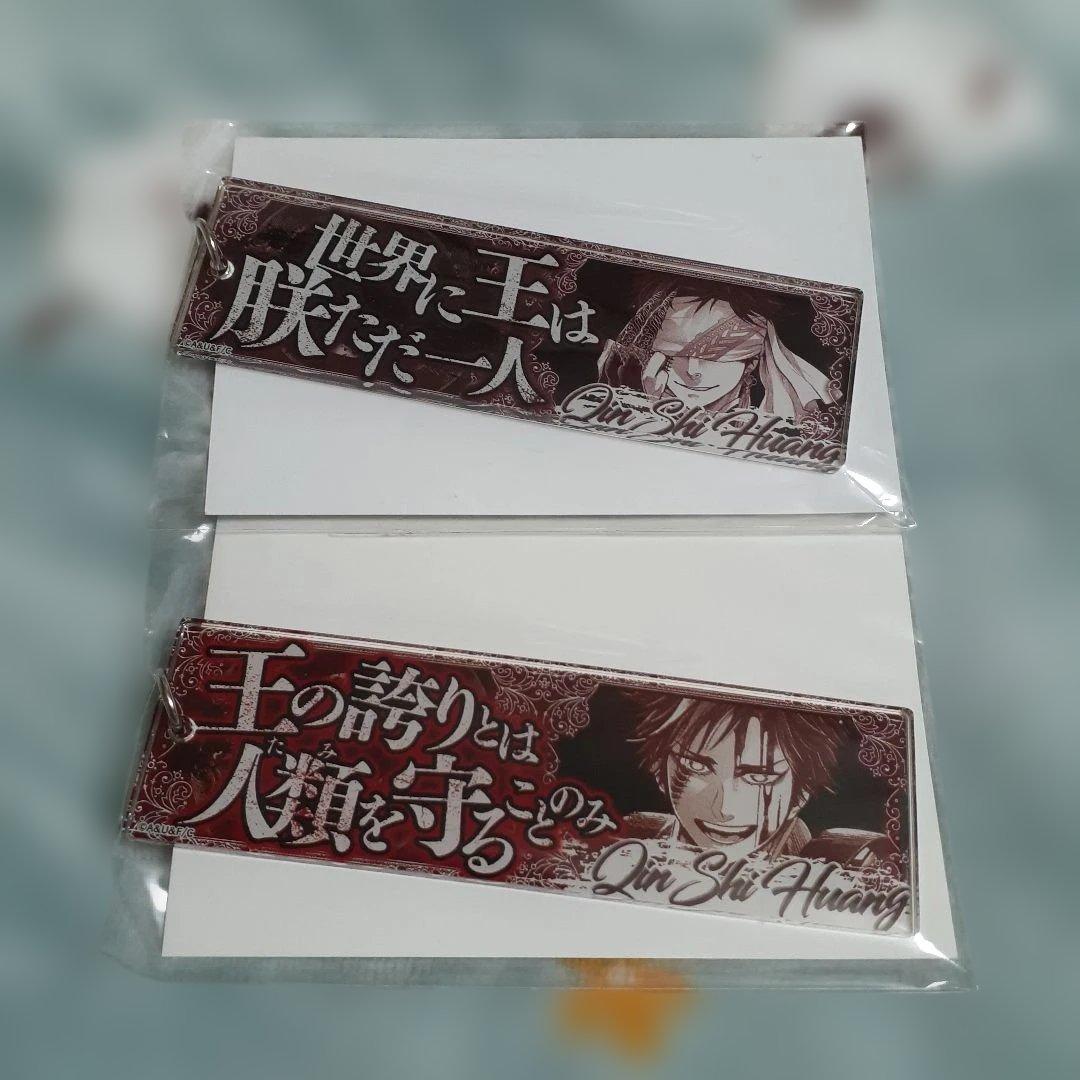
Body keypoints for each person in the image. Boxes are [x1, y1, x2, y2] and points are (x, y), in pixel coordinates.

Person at [629, 695, 889, 866]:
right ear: (659, 771)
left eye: (759, 777)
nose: (724, 809)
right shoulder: (632, 844)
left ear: (802, 793)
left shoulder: (848, 861)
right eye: (697, 767)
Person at [599, 281, 836, 421]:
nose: (692, 372)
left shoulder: (780, 428)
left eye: (715, 358)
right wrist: (643, 405)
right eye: (676, 355)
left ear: (751, 363)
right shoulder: (627, 397)